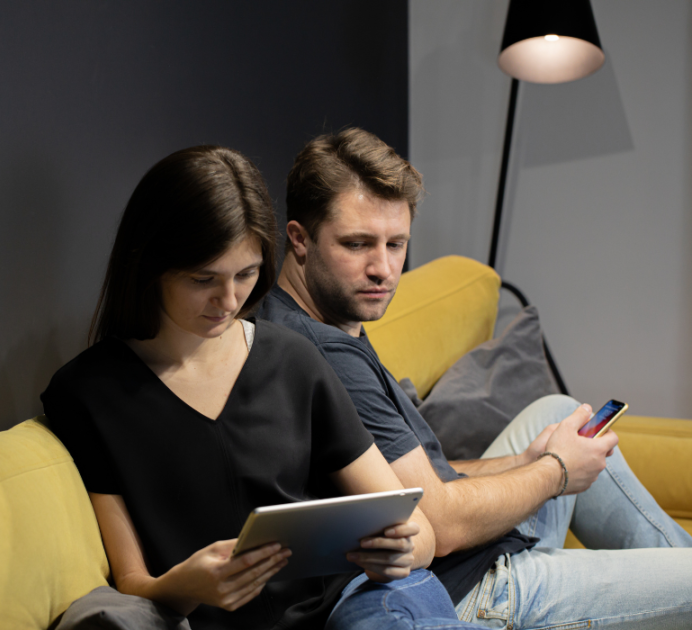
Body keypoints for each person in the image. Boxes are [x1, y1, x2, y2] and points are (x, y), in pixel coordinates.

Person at [260, 127, 692, 629]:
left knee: (553, 413)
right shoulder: (323, 353)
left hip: (461, 554)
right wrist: (555, 471)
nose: (383, 268)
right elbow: (437, 524)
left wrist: (524, 461)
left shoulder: (322, 313)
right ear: (299, 239)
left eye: (396, 243)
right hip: (469, 586)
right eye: (356, 244)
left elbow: (412, 480)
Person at [41, 145, 485, 630]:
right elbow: (132, 581)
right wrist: (187, 585)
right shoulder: (89, 394)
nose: (229, 300)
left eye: (247, 274)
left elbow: (417, 529)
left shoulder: (292, 358)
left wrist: (396, 552)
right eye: (203, 278)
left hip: (358, 600)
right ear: (150, 265)